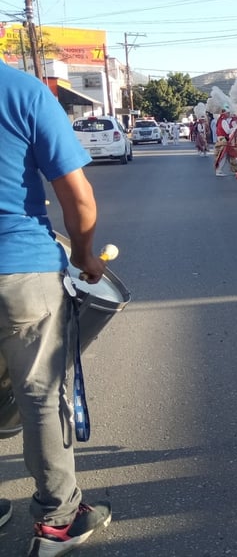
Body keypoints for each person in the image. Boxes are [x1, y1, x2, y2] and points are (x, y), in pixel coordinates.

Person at [0, 61, 112, 554]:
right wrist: (85, 257)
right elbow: (79, 200)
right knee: (42, 396)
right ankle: (58, 519)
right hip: (20, 268)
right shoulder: (23, 91)